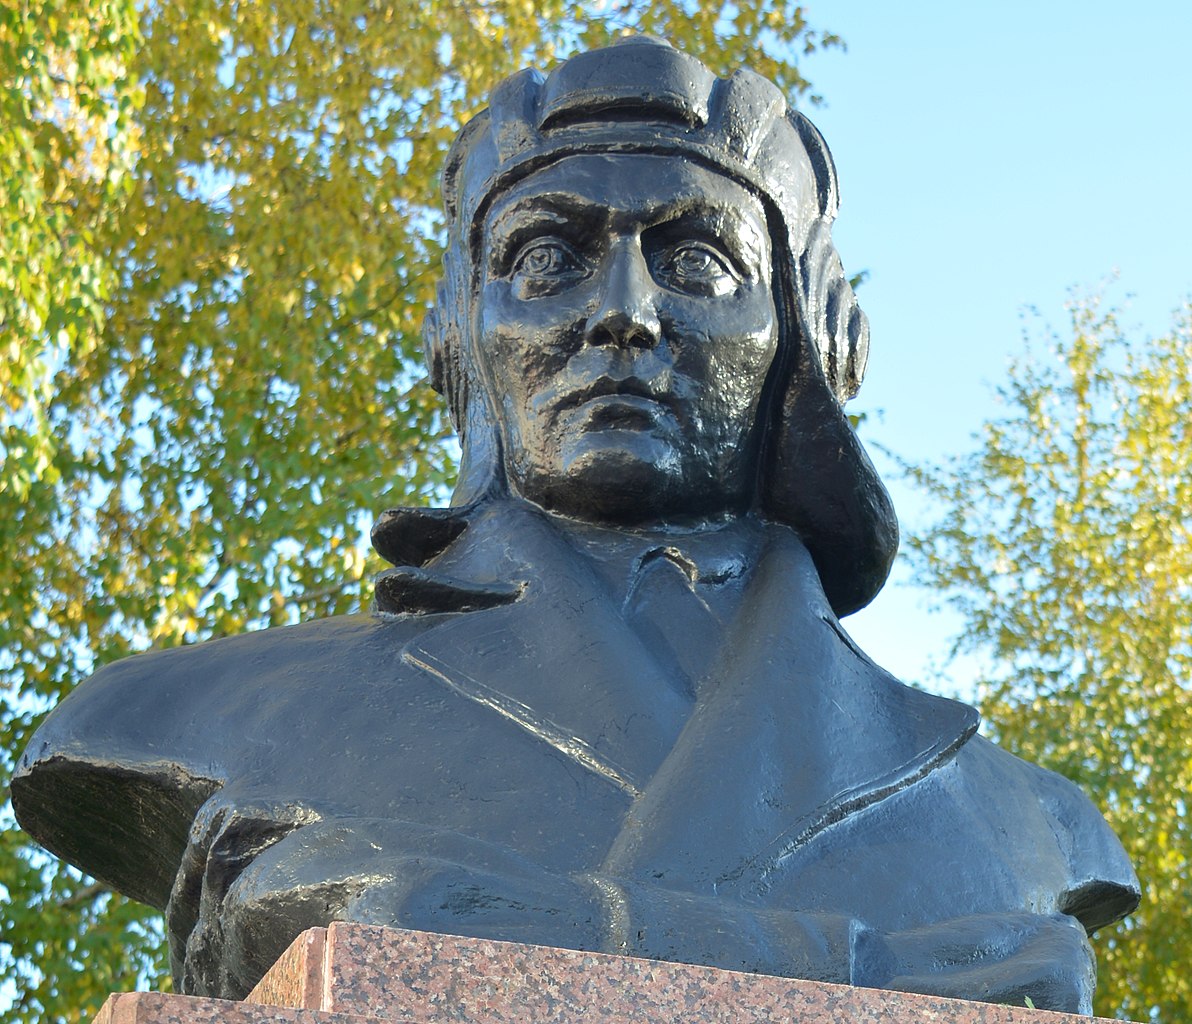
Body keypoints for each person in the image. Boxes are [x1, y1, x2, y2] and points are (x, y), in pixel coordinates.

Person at [13, 37, 1138, 1013]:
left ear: (817, 339)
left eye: (695, 261)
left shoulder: (1027, 826)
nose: (621, 312)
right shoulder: (184, 718)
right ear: (456, 333)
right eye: (547, 258)